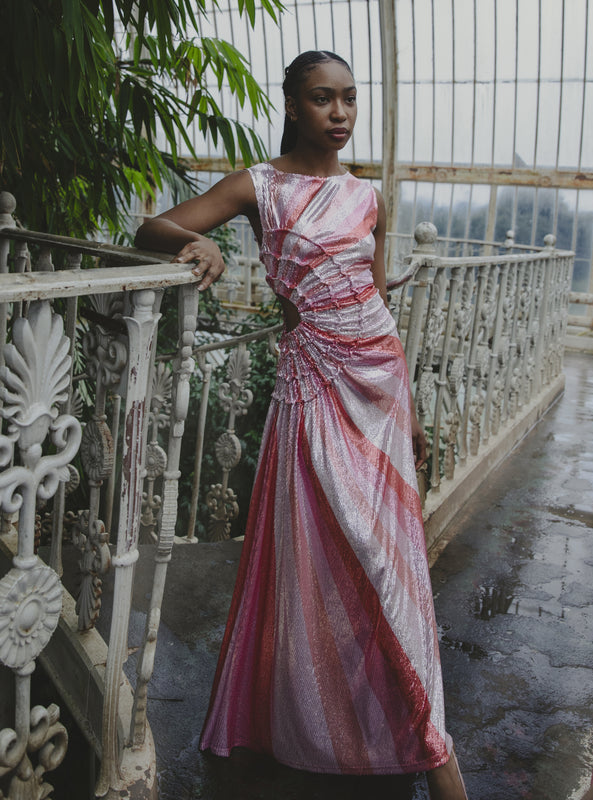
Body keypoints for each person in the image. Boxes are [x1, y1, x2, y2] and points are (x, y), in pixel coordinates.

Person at [135, 49, 468, 799]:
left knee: (391, 565)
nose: (342, 113)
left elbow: (377, 306)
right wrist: (197, 243)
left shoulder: (368, 197)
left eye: (350, 98)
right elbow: (147, 225)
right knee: (329, 555)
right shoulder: (260, 185)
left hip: (378, 391)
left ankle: (415, 732)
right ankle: (368, 731)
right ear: (292, 105)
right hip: (312, 391)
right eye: (324, 99)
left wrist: (407, 407)